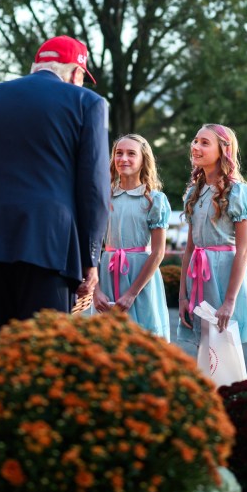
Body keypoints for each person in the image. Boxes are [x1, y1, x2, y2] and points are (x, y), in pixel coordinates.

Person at [0, 34, 110, 342]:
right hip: (48, 242)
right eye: (82, 78)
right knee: (40, 358)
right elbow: (94, 189)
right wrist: (90, 258)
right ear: (75, 72)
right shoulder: (88, 103)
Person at [176, 124, 247, 346]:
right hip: (198, 276)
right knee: (204, 346)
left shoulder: (237, 192)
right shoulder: (194, 193)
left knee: (223, 347)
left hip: (224, 276)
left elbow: (243, 250)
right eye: (195, 141)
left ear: (223, 150)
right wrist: (183, 297)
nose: (196, 146)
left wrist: (229, 301)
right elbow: (190, 249)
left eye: (205, 143)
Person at [93, 134, 172, 340]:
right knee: (107, 342)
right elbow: (91, 245)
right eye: (119, 153)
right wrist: (96, 290)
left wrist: (131, 294)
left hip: (140, 279)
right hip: (107, 275)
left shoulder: (154, 200)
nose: (123, 159)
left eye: (131, 153)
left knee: (143, 339)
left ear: (143, 159)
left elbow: (158, 252)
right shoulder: (103, 197)